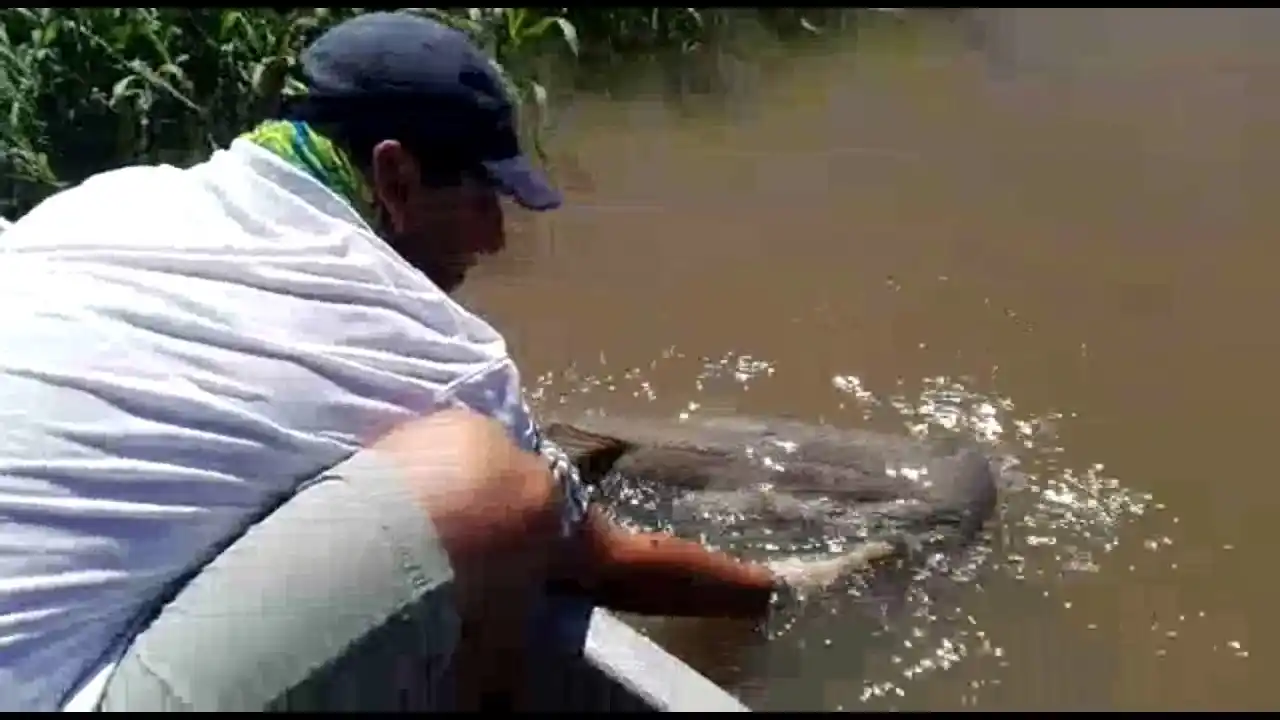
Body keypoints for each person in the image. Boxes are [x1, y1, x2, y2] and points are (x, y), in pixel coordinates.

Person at [0, 11, 835, 712]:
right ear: (395, 175)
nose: (495, 238)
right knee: (491, 479)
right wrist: (781, 586)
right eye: (481, 199)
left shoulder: (106, 200)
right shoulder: (437, 349)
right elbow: (602, 560)